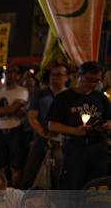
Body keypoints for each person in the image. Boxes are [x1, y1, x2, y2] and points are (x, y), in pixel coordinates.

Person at [47, 61, 110, 190]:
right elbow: (52, 125)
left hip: (98, 147)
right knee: (72, 187)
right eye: (88, 79)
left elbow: (109, 119)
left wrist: (106, 125)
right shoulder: (64, 98)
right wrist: (74, 131)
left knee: (97, 186)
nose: (92, 84)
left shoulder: (101, 98)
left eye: (96, 81)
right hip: (74, 148)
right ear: (78, 76)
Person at [21, 64, 68, 189]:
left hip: (62, 141)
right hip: (42, 138)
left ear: (66, 77)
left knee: (59, 173)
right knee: (31, 171)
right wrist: (42, 132)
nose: (55, 78)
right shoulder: (41, 94)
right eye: (53, 75)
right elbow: (32, 116)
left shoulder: (70, 95)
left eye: (59, 75)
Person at [0, 64, 29, 186]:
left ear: (18, 76)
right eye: (8, 73)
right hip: (0, 131)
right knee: (0, 166)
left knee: (16, 166)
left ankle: (14, 191)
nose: (10, 75)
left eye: (13, 73)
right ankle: (1, 190)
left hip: (15, 131)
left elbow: (13, 108)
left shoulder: (22, 91)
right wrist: (10, 110)